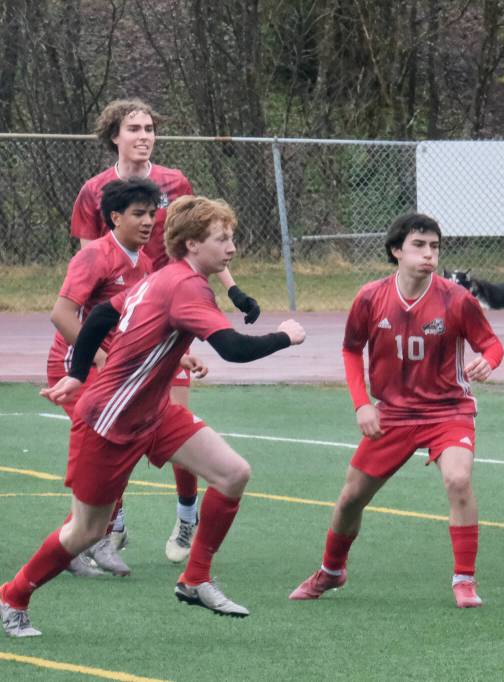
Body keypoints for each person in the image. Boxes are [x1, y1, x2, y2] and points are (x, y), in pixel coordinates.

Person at [1, 196, 305, 637]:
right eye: (222, 239)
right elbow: (233, 349)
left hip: (153, 413)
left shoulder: (164, 276)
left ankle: (195, 578)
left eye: (231, 237)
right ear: (191, 244)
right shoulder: (185, 286)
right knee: (86, 531)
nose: (232, 248)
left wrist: (78, 371)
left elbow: (105, 313)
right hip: (110, 421)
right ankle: (13, 596)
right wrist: (284, 336)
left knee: (233, 473)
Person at [70, 98, 261, 565]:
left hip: (170, 314)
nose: (144, 135)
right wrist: (95, 345)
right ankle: (108, 526)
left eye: (150, 127)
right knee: (114, 424)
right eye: (133, 127)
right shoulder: (94, 190)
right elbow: (88, 262)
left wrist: (233, 291)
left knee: (173, 418)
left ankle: (186, 513)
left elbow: (199, 240)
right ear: (113, 135)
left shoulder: (175, 182)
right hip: (122, 320)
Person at [289, 213, 503, 609]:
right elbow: (351, 350)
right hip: (393, 414)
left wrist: (489, 362)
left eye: (435, 246)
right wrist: (362, 404)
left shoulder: (457, 299)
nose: (429, 254)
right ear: (396, 251)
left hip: (448, 410)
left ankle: (464, 580)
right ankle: (332, 571)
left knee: (458, 479)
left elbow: (492, 346)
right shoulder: (370, 297)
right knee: (351, 497)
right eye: (419, 245)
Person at [49, 178, 208, 578]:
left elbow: (143, 319)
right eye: (138, 214)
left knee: (116, 449)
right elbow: (62, 315)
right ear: (114, 217)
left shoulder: (145, 262)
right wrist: (100, 360)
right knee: (102, 450)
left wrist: (181, 356)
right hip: (78, 368)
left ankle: (89, 537)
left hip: (113, 372)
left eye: (152, 214)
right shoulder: (94, 258)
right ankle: (86, 540)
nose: (148, 221)